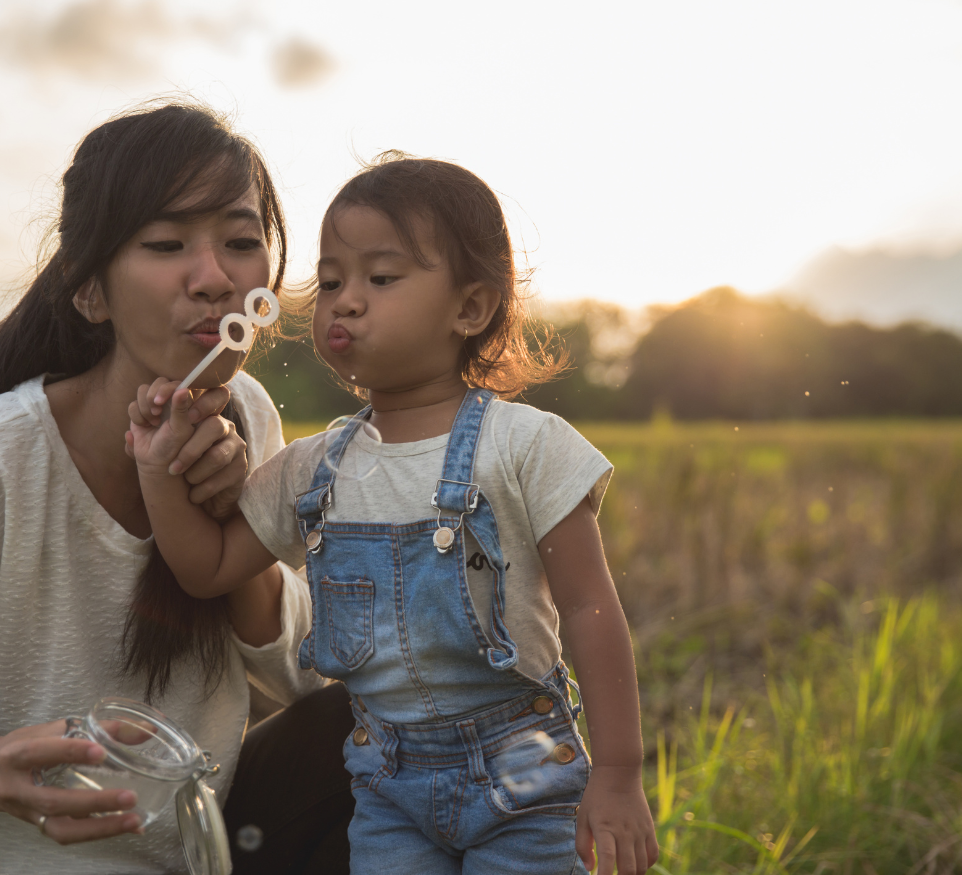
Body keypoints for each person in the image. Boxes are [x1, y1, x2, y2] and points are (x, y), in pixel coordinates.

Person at [0, 102, 354, 874]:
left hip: (181, 856)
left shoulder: (246, 415)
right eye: (166, 244)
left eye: (241, 243)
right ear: (90, 292)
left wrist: (229, 533)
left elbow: (305, 675)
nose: (214, 278)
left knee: (383, 720)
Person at [127, 155, 660, 875]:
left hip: (524, 774)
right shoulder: (313, 469)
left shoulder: (525, 446)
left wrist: (618, 776)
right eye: (331, 282)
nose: (345, 302)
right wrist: (157, 468)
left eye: (380, 279)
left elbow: (591, 608)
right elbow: (209, 568)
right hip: (384, 785)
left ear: (470, 309)